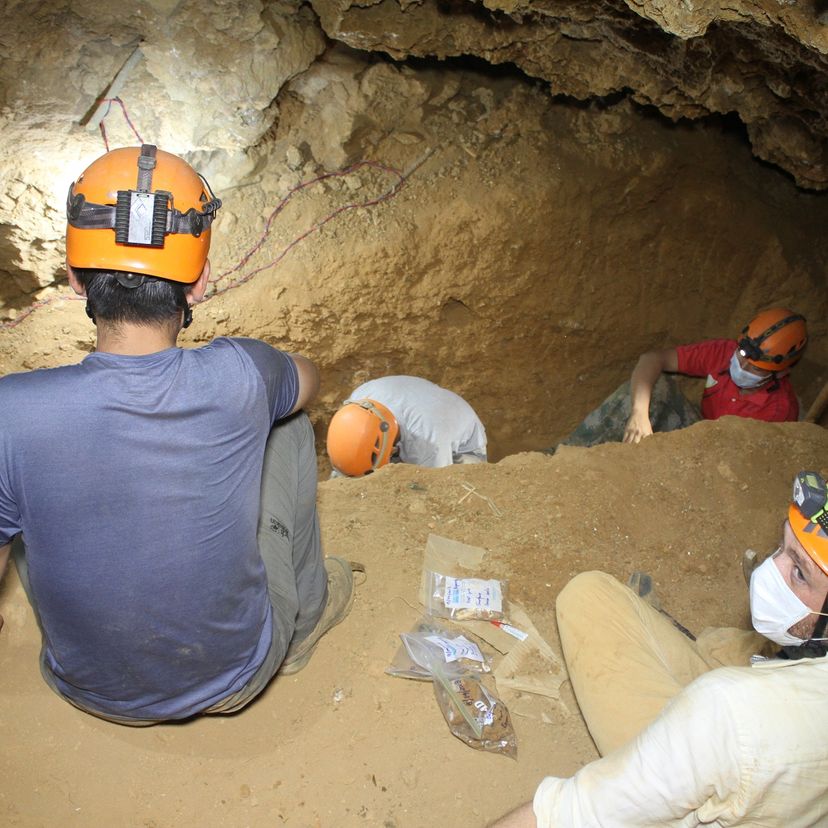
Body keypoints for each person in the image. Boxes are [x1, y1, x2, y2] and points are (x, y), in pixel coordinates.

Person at [0, 144, 359, 725]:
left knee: (16, 487)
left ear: (73, 278)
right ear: (199, 284)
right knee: (287, 422)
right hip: (235, 675)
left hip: (90, 689)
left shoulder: (10, 409)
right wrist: (260, 379)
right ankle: (301, 622)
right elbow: (307, 379)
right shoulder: (241, 372)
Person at [492, 470, 828, 827]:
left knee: (587, 601)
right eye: (782, 547)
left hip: (737, 750)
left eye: (799, 573)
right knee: (725, 643)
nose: (768, 568)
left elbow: (566, 815)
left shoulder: (730, 712)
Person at [560, 308, 808, 448]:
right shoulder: (723, 353)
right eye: (741, 355)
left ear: (782, 372)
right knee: (656, 388)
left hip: (721, 457)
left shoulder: (779, 411)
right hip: (697, 427)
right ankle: (566, 454)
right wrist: (639, 414)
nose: (741, 366)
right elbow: (652, 359)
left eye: (755, 368)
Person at [326, 375, 487, 476]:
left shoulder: (429, 441)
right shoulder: (360, 398)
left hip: (460, 448)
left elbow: (435, 486)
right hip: (417, 411)